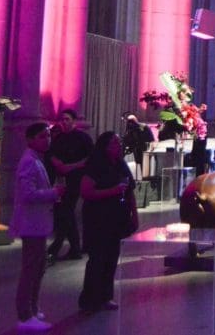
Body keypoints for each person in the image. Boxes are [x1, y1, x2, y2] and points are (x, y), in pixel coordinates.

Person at [11, 122, 66, 332]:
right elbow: (27, 194)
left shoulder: (36, 160)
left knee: (38, 268)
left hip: (38, 224)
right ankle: (25, 315)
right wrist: (53, 193)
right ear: (31, 139)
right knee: (30, 269)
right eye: (43, 136)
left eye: (48, 136)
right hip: (31, 224)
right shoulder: (29, 162)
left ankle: (33, 308)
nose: (47, 140)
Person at [78, 131, 136, 313]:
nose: (118, 146)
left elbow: (129, 190)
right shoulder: (95, 165)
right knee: (97, 258)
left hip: (116, 217)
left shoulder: (120, 164)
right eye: (114, 143)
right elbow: (86, 192)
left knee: (111, 258)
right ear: (104, 146)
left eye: (119, 143)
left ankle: (106, 296)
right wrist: (112, 191)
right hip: (98, 217)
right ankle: (89, 299)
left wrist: (134, 213)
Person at [46, 109, 93, 261]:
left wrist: (71, 166)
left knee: (67, 210)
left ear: (73, 120)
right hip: (61, 180)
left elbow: (89, 158)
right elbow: (50, 154)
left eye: (67, 119)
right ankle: (74, 248)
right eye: (62, 119)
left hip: (76, 179)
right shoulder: (59, 138)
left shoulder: (83, 138)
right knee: (66, 212)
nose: (64, 122)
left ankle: (59, 244)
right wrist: (57, 163)